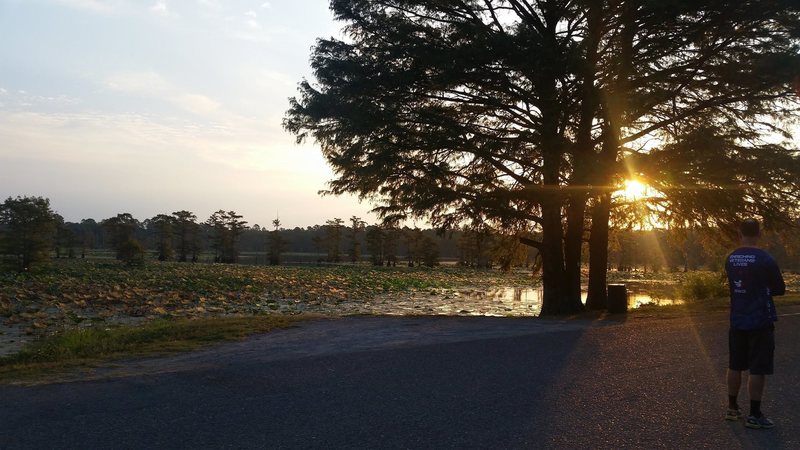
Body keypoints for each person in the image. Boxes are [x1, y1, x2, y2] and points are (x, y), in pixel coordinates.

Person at [724, 218, 785, 429]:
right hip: (760, 319)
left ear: (740, 234)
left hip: (737, 319)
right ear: (759, 234)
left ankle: (732, 409)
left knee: (735, 365)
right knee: (758, 368)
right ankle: (754, 414)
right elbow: (779, 288)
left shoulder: (731, 258)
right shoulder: (765, 258)